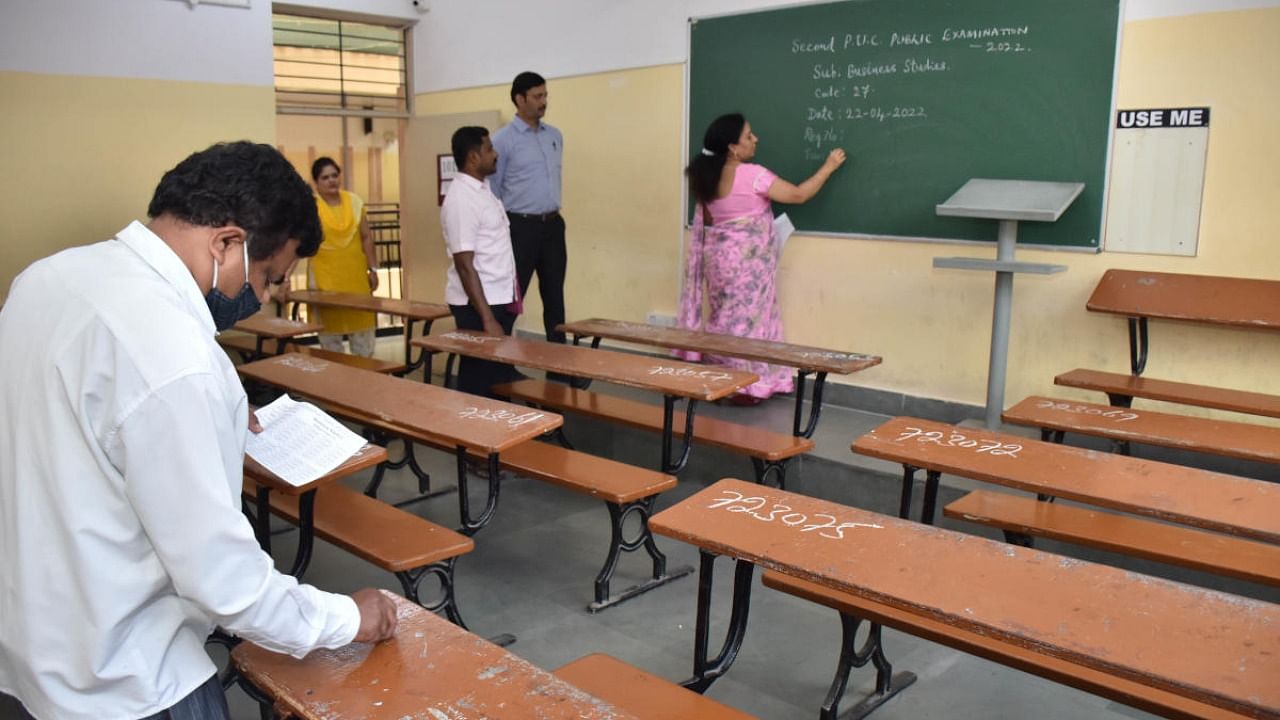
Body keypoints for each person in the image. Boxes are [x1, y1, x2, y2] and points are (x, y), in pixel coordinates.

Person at [0, 142, 397, 720]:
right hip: (128, 679)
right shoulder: (175, 358)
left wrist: (215, 417)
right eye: (267, 277)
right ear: (227, 243)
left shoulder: (47, 278)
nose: (261, 299)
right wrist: (349, 618)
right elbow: (226, 583)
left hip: (28, 653)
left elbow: (80, 425)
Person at [678, 113, 847, 404]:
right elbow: (797, 195)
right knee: (749, 323)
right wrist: (828, 167)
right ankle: (747, 386)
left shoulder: (706, 177)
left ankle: (722, 379)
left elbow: (711, 220)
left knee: (725, 318)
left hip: (718, 262)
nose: (755, 139)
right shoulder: (754, 174)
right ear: (733, 147)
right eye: (748, 136)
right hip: (748, 268)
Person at [491, 71, 571, 376]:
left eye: (545, 95)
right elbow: (494, 191)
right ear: (519, 99)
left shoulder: (555, 136)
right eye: (537, 97)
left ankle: (559, 368)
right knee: (513, 298)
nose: (543, 102)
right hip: (519, 228)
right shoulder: (502, 140)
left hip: (552, 226)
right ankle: (500, 364)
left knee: (555, 298)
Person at [441, 126, 522, 399]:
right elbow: (465, 263)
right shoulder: (462, 199)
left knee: (498, 378)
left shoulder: (483, 190)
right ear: (473, 158)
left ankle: (501, 432)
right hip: (478, 305)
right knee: (479, 379)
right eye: (489, 149)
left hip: (497, 297)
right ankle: (474, 435)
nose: (495, 154)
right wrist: (487, 318)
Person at [308, 157, 380, 357]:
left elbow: (366, 237)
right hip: (326, 281)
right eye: (325, 177)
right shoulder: (312, 207)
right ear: (317, 182)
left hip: (355, 278)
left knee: (363, 337)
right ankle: (336, 384)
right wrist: (285, 278)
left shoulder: (355, 202)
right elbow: (300, 243)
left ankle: (365, 380)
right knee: (331, 341)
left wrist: (373, 269)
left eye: (334, 175)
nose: (331, 181)